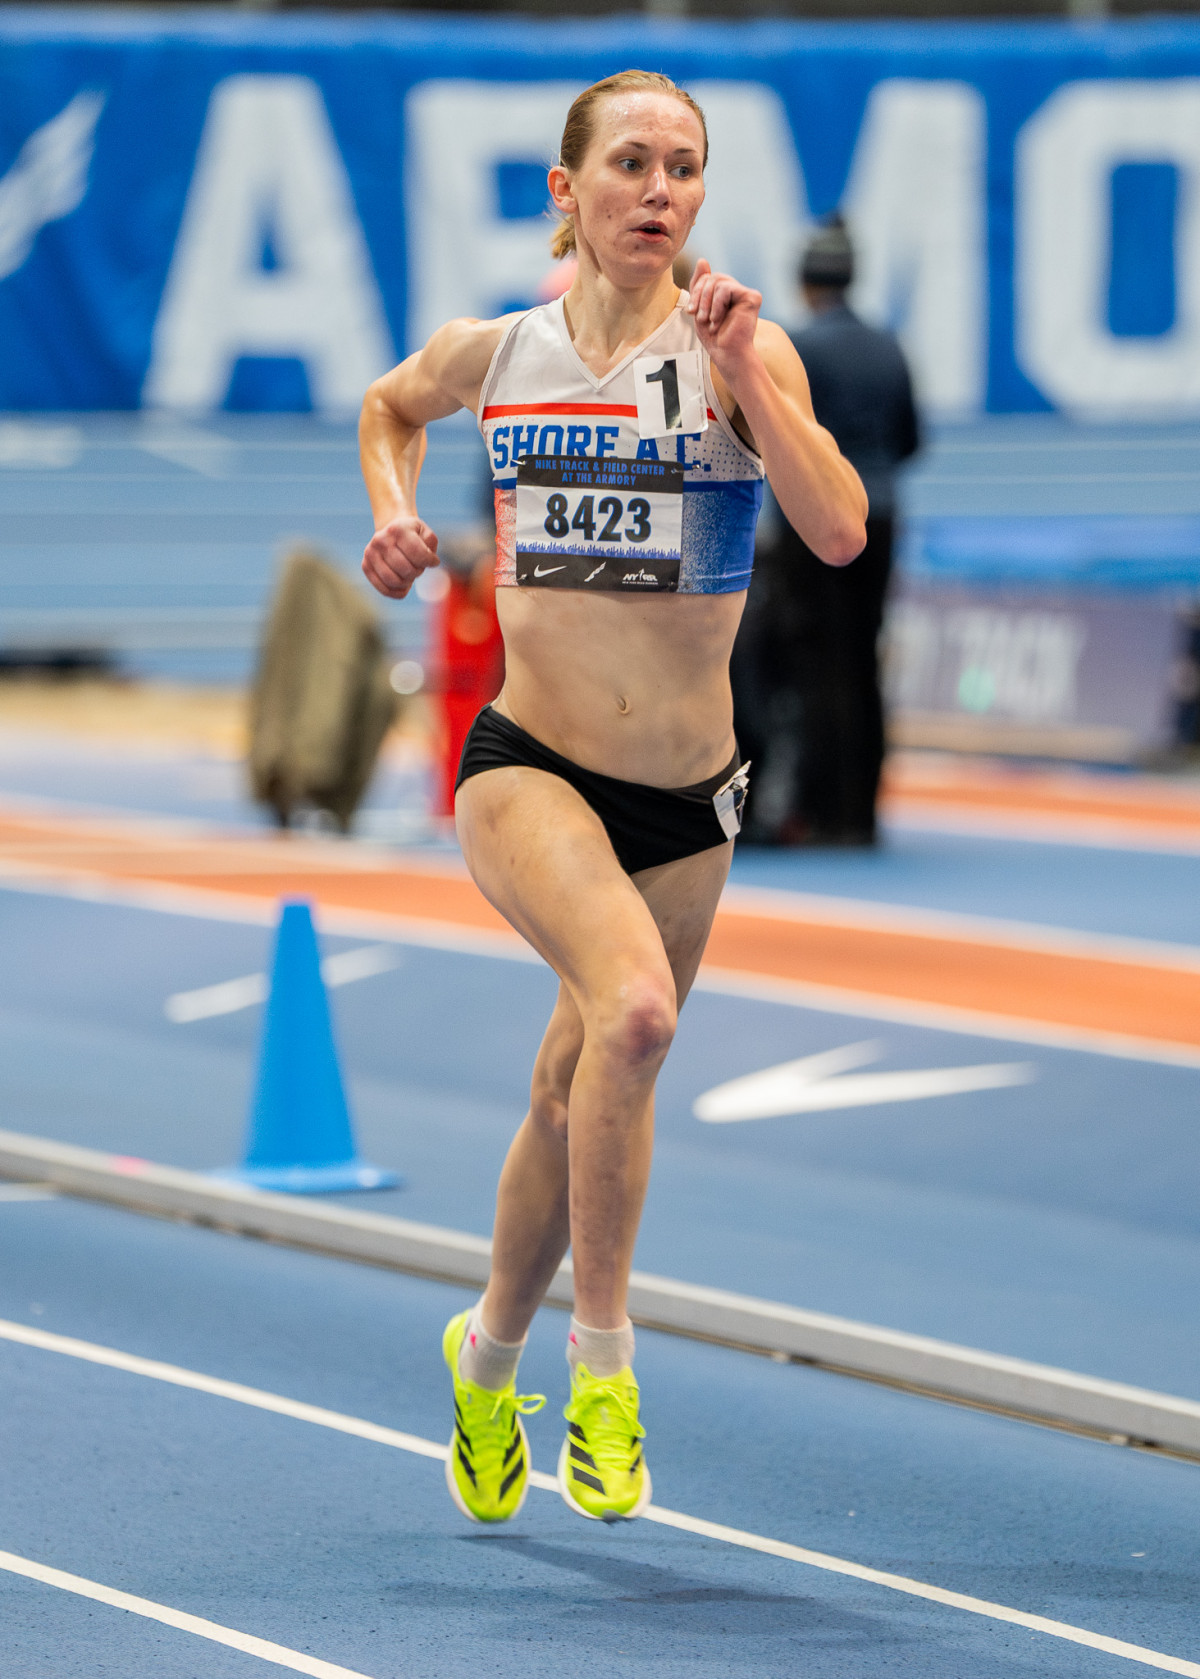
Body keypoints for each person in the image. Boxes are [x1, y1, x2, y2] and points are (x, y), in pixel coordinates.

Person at [358, 70, 866, 1526]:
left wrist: (752, 369)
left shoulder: (736, 351)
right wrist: (394, 514)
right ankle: (605, 1365)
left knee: (571, 1082)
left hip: (691, 799)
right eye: (631, 162)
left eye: (684, 167)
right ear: (565, 190)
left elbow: (839, 530)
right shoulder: (502, 352)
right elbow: (389, 406)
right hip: (531, 765)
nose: (660, 190)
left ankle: (485, 1357)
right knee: (636, 1015)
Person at [736, 217, 919, 846]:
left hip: (810, 526)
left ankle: (822, 810)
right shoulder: (889, 348)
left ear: (805, 284)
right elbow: (911, 439)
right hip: (882, 516)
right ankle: (863, 810)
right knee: (864, 656)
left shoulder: (799, 350)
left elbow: (776, 439)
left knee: (814, 662)